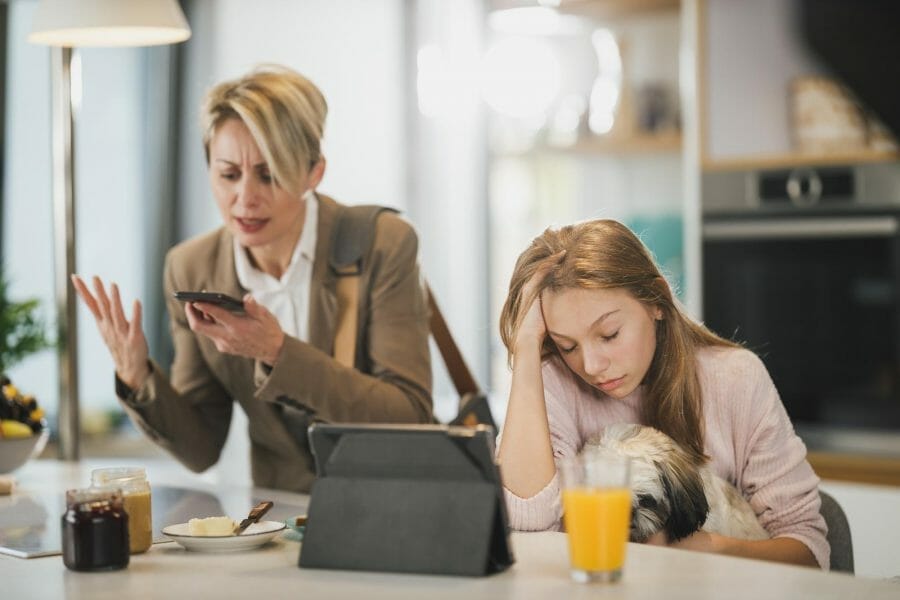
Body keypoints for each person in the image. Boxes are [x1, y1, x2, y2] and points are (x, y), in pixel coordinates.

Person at [72, 65, 432, 493]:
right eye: (228, 175)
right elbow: (201, 447)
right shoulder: (192, 266)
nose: (245, 199)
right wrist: (136, 377)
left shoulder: (380, 244)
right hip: (279, 521)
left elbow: (410, 417)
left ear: (313, 172)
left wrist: (278, 352)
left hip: (389, 509)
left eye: (269, 174)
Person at [496, 219, 828, 569]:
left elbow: (809, 551)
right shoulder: (556, 384)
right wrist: (526, 348)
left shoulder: (736, 379)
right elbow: (525, 523)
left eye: (609, 334)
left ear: (657, 301)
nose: (591, 365)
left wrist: (712, 549)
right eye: (567, 346)